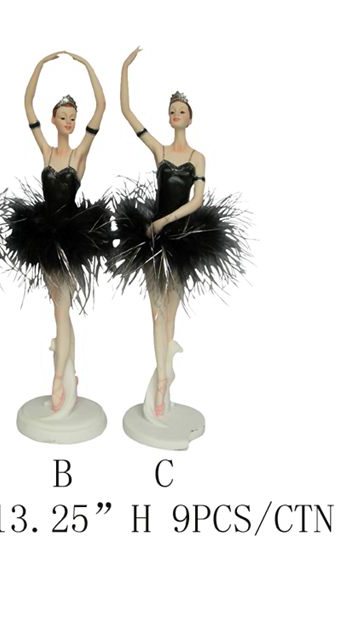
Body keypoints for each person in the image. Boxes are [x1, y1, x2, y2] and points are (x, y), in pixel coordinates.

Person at [113, 47, 248, 417]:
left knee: (170, 311)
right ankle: (162, 376)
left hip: (180, 237)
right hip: (152, 238)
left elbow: (197, 200)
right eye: (172, 111)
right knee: (155, 311)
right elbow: (127, 112)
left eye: (181, 111)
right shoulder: (159, 151)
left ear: (190, 117)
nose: (176, 115)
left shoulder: (197, 158)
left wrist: (165, 221)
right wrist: (125, 68)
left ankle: (164, 378)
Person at [6, 51, 111, 412]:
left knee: (62, 308)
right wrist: (39, 65)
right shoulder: (47, 151)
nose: (68, 122)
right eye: (63, 117)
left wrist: (88, 65)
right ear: (54, 119)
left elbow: (102, 107)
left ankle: (57, 377)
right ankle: (69, 370)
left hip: (71, 236)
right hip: (44, 233)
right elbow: (27, 106)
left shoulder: (79, 154)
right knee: (58, 306)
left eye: (72, 118)